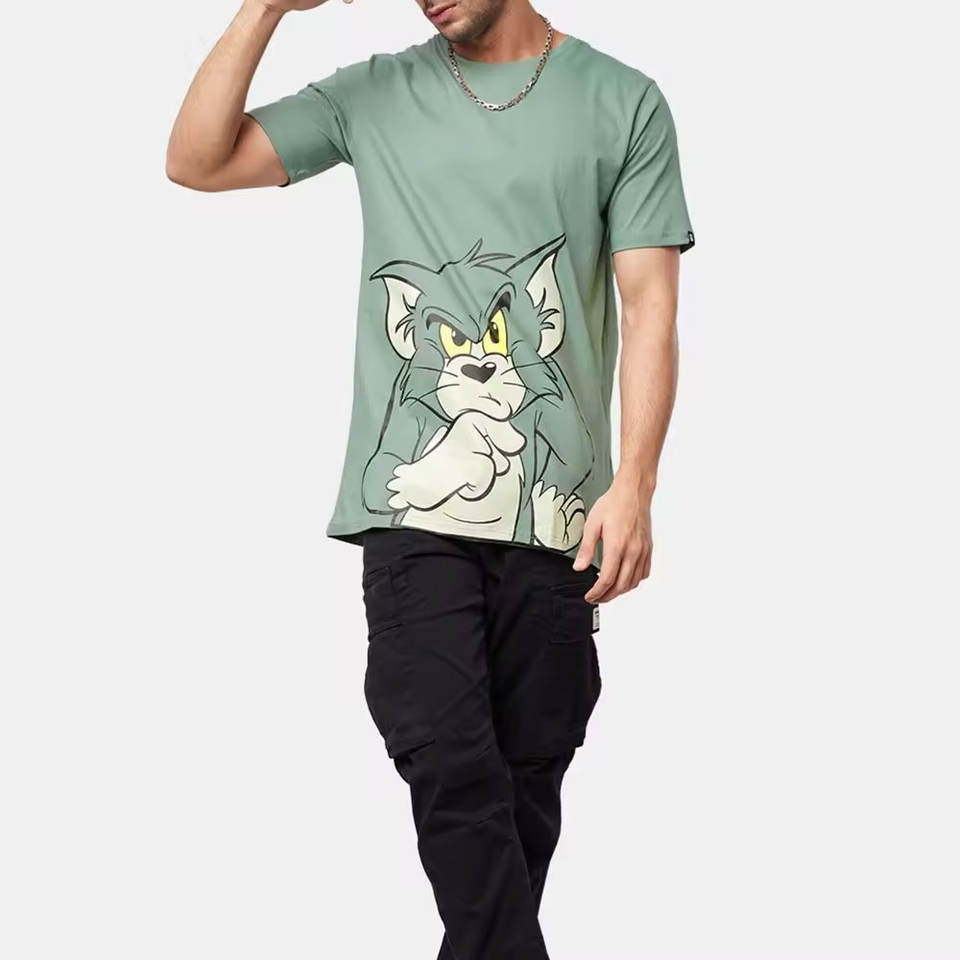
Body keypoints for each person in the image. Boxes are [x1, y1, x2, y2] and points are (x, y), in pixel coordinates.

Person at [167, 1, 694, 956]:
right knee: (443, 749)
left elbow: (649, 301)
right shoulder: (375, 93)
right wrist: (267, 7)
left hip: (560, 518)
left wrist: (637, 488)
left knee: (524, 785)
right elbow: (197, 160)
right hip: (412, 511)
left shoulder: (622, 102)